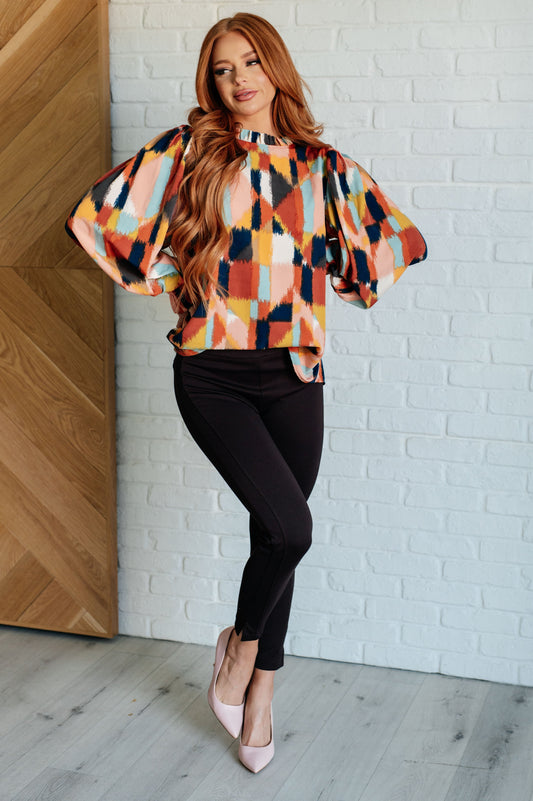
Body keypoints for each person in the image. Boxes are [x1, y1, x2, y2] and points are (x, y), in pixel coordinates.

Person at [66, 13, 427, 774]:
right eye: (224, 68)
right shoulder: (189, 149)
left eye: (252, 61)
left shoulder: (319, 165)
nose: (239, 78)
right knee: (291, 529)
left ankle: (258, 695)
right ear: (213, 81)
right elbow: (100, 219)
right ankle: (235, 653)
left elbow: (390, 241)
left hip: (294, 374)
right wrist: (173, 279)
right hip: (213, 374)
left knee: (277, 537)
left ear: (276, 69)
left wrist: (332, 261)